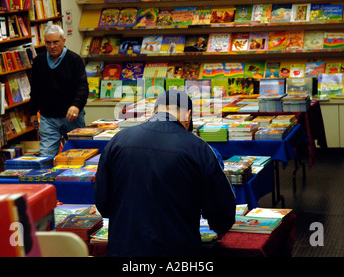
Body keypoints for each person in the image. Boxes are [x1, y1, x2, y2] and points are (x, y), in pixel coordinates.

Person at [95, 90, 236, 257]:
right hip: (177, 251)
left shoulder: (118, 140)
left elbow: (103, 203)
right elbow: (222, 212)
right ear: (188, 116)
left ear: (153, 112)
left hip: (124, 249)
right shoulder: (200, 148)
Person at [29, 24, 89, 157]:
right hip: (48, 118)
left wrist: (76, 106)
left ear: (63, 41)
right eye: (48, 42)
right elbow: (35, 88)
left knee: (77, 154)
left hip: (72, 117)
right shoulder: (39, 61)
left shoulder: (74, 60)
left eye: (56, 42)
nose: (52, 46)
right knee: (46, 156)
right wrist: (33, 112)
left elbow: (82, 87)